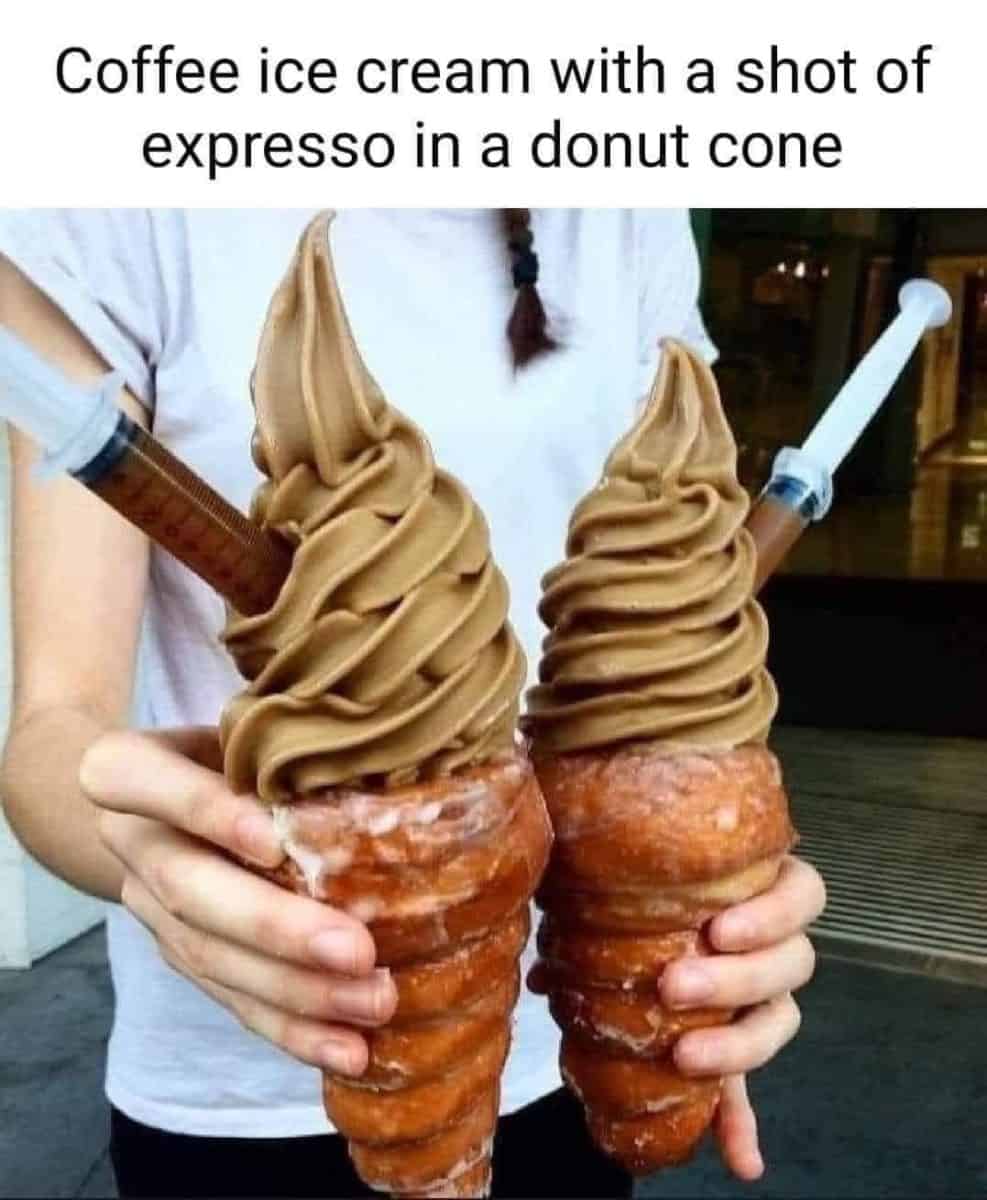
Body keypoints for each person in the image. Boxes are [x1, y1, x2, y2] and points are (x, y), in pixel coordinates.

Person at [0, 208, 825, 1200]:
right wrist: (150, 858)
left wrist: (694, 909)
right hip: (236, 1085)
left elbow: (661, 587)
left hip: (563, 1056)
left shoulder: (624, 203)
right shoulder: (103, 202)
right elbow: (53, 729)